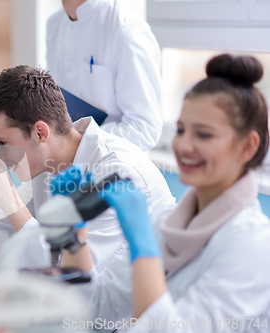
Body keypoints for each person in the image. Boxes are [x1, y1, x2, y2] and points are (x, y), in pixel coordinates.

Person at [0, 65, 175, 273]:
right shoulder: (48, 163)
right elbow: (12, 232)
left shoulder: (116, 175)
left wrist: (9, 199)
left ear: (40, 132)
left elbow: (71, 267)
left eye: (1, 143)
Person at [56, 54, 270, 331]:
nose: (183, 145)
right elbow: (95, 310)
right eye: (181, 130)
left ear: (248, 147)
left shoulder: (253, 245)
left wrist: (144, 247)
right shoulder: (170, 219)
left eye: (203, 134)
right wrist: (73, 232)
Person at [46, 0, 163, 151]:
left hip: (114, 166)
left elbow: (144, 129)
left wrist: (75, 140)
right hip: (64, 164)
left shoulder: (126, 29)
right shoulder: (54, 24)